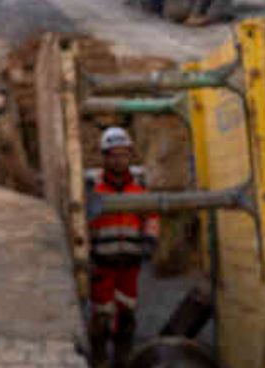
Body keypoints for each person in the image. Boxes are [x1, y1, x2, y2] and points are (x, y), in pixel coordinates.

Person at [88, 127, 159, 367]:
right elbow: (83, 225)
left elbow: (151, 216)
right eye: (113, 155)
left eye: (123, 154)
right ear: (104, 157)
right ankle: (99, 360)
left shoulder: (139, 188)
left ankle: (123, 360)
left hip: (130, 263)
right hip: (102, 264)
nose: (119, 159)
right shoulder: (93, 190)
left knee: (127, 315)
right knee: (102, 316)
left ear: (130, 155)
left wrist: (150, 240)